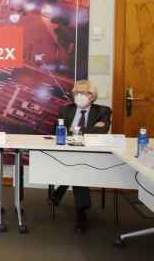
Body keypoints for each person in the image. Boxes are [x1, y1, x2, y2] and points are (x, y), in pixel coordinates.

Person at [50, 80, 112, 233]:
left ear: (92, 96)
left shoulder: (103, 111)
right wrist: (88, 129)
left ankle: (61, 191)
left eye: (82, 93)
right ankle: (81, 211)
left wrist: (75, 129)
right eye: (76, 93)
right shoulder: (65, 110)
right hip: (68, 152)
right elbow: (58, 130)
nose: (78, 96)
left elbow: (101, 132)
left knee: (79, 166)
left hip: (91, 154)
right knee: (78, 166)